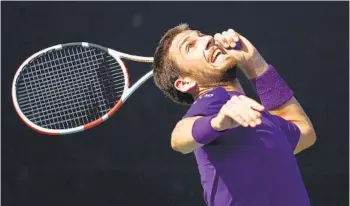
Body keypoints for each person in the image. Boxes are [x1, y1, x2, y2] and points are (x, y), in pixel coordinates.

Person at [152, 24, 316, 206]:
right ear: (185, 83)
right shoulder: (212, 102)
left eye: (201, 35)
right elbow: (178, 138)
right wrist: (217, 123)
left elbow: (305, 133)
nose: (207, 39)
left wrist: (254, 63)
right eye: (190, 46)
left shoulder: (256, 115)